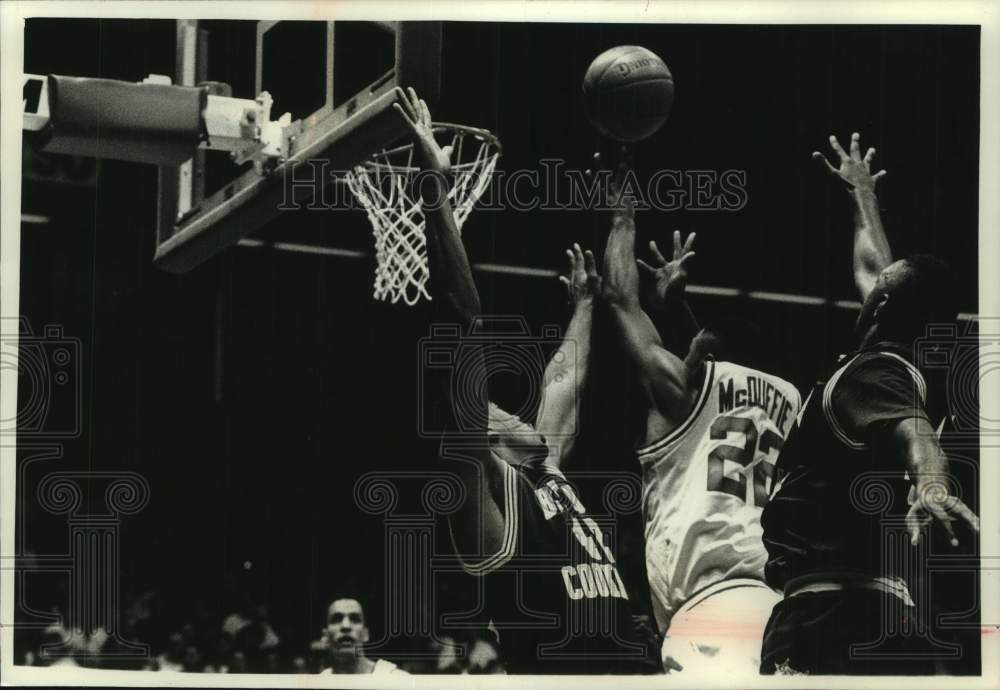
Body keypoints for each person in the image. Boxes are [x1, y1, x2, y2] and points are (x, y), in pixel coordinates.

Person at [393, 88, 650, 673]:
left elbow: (567, 379)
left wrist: (586, 303)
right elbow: (462, 318)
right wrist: (436, 192)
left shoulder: (544, 468)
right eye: (493, 411)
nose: (512, 412)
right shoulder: (482, 488)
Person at [759, 133, 980, 675]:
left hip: (831, 615)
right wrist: (862, 192)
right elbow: (875, 266)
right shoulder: (906, 355)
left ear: (880, 303)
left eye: (879, 283)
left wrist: (931, 483)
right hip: (884, 608)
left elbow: (916, 434)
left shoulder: (873, 373)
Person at [599, 153, 801, 675]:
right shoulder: (789, 399)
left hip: (711, 617)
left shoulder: (681, 390)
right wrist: (681, 310)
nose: (681, 352)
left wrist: (622, 216)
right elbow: (716, 380)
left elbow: (621, 302)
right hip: (772, 606)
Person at [318, 597, 406, 675]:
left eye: (355, 619)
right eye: (336, 619)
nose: (346, 626)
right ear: (325, 636)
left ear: (365, 634)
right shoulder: (319, 682)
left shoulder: (395, 679)